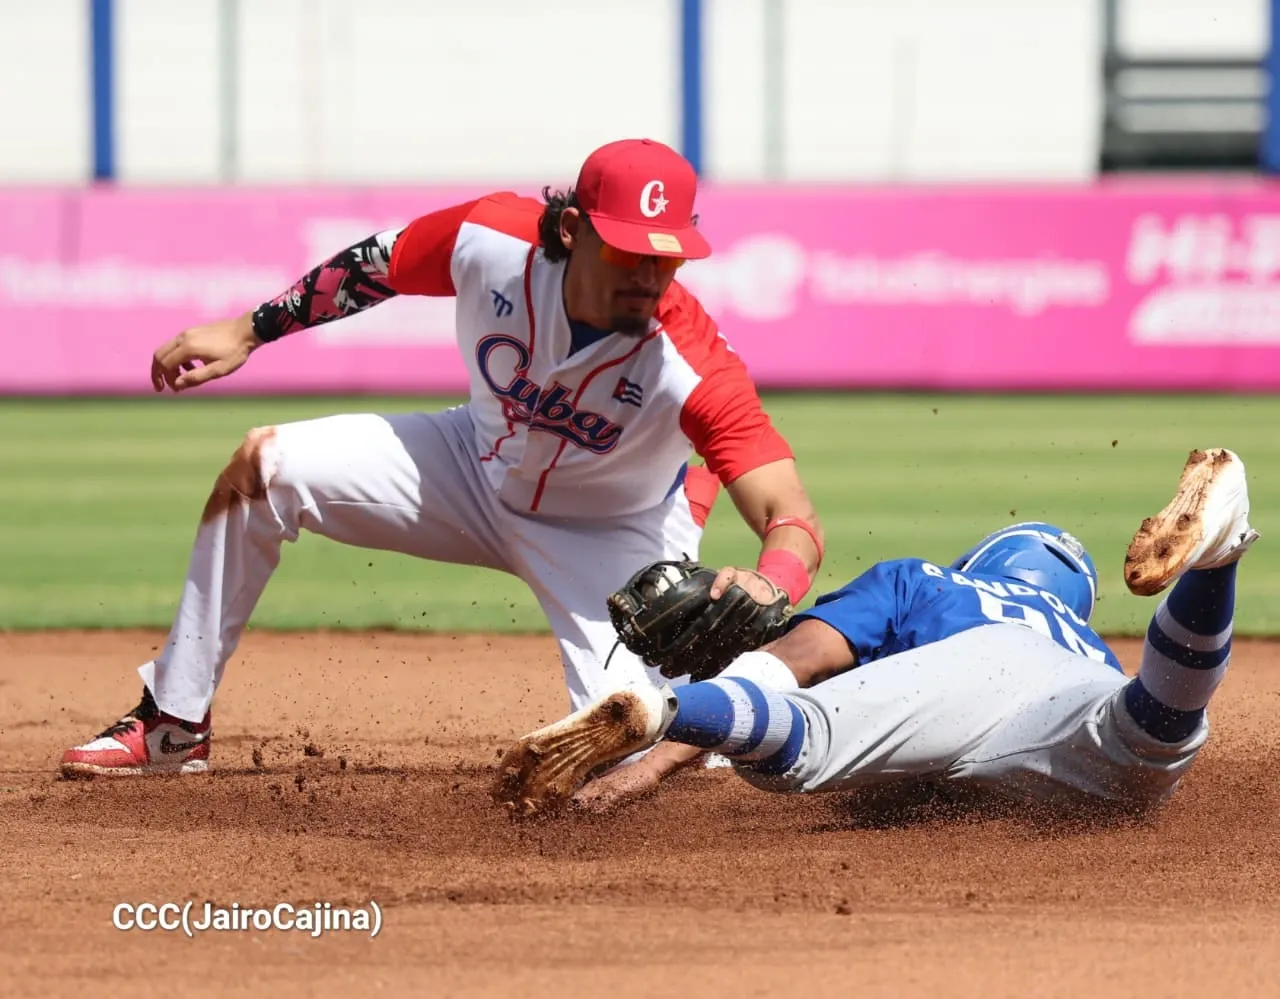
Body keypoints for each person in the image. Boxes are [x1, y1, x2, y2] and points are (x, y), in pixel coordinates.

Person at [60, 138, 825, 778]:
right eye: (628, 251)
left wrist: (772, 575)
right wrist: (251, 330)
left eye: (667, 257)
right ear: (570, 230)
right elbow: (374, 266)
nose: (649, 275)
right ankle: (174, 722)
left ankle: (759, 713)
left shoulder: (692, 361)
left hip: (611, 536)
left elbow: (791, 515)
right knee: (264, 467)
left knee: (633, 741)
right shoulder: (490, 240)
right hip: (467, 465)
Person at [495, 447, 1258, 818]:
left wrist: (655, 764)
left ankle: (655, 710)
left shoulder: (928, 579)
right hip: (1082, 695)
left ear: (989, 560)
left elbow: (787, 661)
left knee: (805, 739)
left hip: (961, 681)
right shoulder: (1082, 640)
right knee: (1152, 736)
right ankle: (1219, 559)